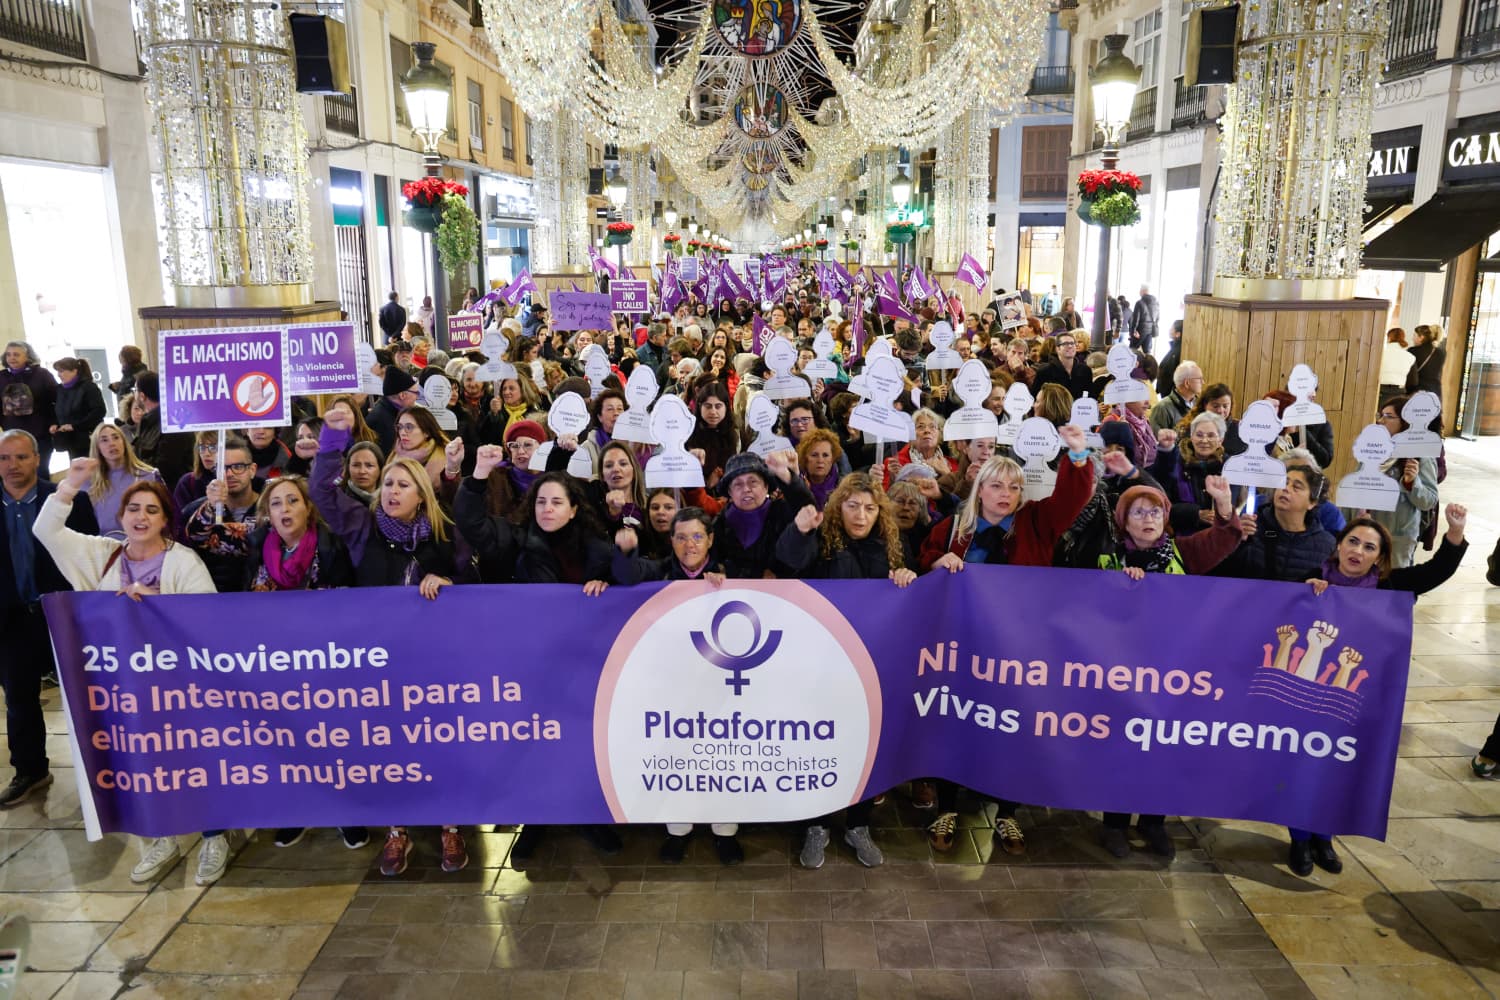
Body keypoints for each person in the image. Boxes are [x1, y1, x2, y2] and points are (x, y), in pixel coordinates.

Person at [33, 464, 230, 883]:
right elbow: (47, 532)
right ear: (121, 517)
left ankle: (214, 837)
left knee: (197, 762)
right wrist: (69, 486)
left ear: (165, 519)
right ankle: (161, 837)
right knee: (146, 763)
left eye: (152, 510)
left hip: (180, 688)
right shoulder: (103, 555)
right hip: (126, 689)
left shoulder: (183, 561)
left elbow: (209, 619)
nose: (141, 517)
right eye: (133, 509)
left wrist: (158, 602)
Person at [918, 428, 1094, 854]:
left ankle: (1008, 813)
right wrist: (935, 561)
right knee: (955, 724)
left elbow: (1074, 498)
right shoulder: (952, 530)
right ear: (980, 489)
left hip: (1020, 649)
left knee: (1014, 727)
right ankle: (949, 807)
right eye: (997, 485)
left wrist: (1077, 455)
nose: (1007, 493)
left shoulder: (1036, 522)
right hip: (963, 648)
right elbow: (923, 564)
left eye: (1014, 486)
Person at [313, 408, 467, 875]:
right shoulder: (364, 529)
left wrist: (447, 582)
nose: (394, 491)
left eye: (404, 485)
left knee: (440, 742)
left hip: (433, 663)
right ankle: (397, 831)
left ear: (422, 494)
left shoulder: (444, 534)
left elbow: (475, 583)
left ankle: (450, 824)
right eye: (389, 484)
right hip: (379, 663)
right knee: (390, 746)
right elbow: (322, 491)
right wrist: (333, 437)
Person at [1289, 505, 1469, 875]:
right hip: (1308, 698)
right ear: (1338, 546)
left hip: (1357, 700)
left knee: (1339, 769)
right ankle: (1300, 839)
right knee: (1303, 768)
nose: (1358, 551)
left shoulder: (1389, 588)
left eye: (1369, 547)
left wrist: (1454, 532)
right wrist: (1303, 595)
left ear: (1380, 558)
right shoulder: (1310, 580)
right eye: (1352, 542)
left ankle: (1325, 837)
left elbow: (1436, 571)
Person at [1095, 477, 1241, 859]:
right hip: (1121, 675)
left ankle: (1153, 821)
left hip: (1172, 674)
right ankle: (1114, 824)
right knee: (1122, 750)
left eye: (1156, 511)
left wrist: (1224, 506)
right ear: (1124, 521)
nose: (1149, 519)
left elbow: (1225, 539)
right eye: (1139, 512)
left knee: (1162, 749)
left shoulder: (1183, 553)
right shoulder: (1105, 556)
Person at [778, 473, 917, 869]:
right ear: (839, 507)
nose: (861, 514)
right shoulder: (823, 541)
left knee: (864, 748)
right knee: (818, 746)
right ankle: (816, 824)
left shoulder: (894, 545)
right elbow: (788, 562)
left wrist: (908, 577)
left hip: (873, 667)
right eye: (853, 506)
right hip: (821, 666)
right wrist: (799, 530)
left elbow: (911, 592)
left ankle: (858, 824)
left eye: (871, 508)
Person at [239, 475, 363, 850]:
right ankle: (297, 809)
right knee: (286, 739)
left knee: (332, 738)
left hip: (324, 659)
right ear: (267, 513)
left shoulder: (329, 546)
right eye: (276, 504)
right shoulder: (257, 545)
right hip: (275, 661)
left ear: (307, 508)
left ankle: (346, 813)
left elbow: (347, 600)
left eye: (292, 501)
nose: (285, 510)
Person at [0, 431, 98, 810]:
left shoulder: (71, 501)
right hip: (11, 621)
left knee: (86, 698)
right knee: (19, 699)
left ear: (36, 459)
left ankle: (103, 773)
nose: (12, 466)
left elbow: (90, 557)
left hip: (63, 616)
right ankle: (30, 770)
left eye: (21, 457)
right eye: (5, 458)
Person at [713, 451, 815, 579]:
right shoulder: (719, 523)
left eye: (753, 482)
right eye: (738, 484)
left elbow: (807, 508)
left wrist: (788, 476)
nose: (746, 489)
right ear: (729, 492)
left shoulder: (782, 512)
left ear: (766, 486)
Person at [181, 437, 262, 593]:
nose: (229, 474)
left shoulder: (271, 507)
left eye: (238, 467)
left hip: (260, 597)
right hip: (213, 595)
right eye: (222, 468)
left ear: (252, 470)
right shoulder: (194, 511)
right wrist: (211, 506)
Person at [1227, 464, 1335, 581]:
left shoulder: (1326, 544)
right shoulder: (1250, 528)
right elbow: (1225, 574)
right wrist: (1235, 540)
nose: (1286, 488)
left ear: (1312, 503)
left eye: (1296, 487)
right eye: (1284, 483)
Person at [1367, 397, 1439, 568]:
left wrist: (1412, 483)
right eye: (1380, 415)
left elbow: (1429, 500)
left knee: (1393, 586)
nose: (1380, 421)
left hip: (1398, 537)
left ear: (1405, 422)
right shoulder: (1372, 448)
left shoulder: (1420, 454)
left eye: (1388, 416)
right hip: (1367, 530)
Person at [85, 424, 162, 540]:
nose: (112, 443)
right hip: (102, 548)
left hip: (143, 544)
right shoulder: (87, 483)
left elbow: (165, 516)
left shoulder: (149, 475)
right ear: (97, 448)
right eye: (104, 440)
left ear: (124, 442)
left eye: (116, 437)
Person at [2, 342, 58, 475]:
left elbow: (56, 400)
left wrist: (54, 422)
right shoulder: (1, 377)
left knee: (40, 472)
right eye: (8, 355)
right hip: (11, 434)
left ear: (27, 357)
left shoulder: (42, 374)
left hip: (40, 434)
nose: (12, 358)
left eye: (16, 354)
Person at [131, 372, 194, 488]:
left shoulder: (174, 422)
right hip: (151, 487)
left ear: (142, 396)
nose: (133, 393)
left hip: (171, 493)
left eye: (134, 389)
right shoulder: (146, 421)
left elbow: (166, 466)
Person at [49, 357, 106, 461]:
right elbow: (57, 410)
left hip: (88, 438)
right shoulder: (60, 389)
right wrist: (55, 424)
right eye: (57, 371)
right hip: (70, 440)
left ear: (74, 371)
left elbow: (99, 411)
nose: (58, 374)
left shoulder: (89, 387)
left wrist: (75, 426)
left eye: (61, 371)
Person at [367, 368, 420, 456]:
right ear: (403, 395)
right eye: (416, 393)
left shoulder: (388, 411)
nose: (417, 397)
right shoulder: (382, 421)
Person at [1031, 331, 1094, 402]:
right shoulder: (1045, 371)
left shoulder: (1085, 370)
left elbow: (1089, 395)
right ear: (1057, 349)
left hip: (1078, 412)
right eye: (1065, 344)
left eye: (1072, 343)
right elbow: (1035, 397)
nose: (1070, 346)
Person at [1150, 361, 1202, 434]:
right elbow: (1156, 439)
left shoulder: (1200, 404)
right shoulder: (1162, 408)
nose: (1203, 382)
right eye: (1199, 379)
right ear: (1187, 383)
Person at [1404, 324, 1445, 398]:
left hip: (1417, 391)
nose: (1412, 338)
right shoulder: (1441, 353)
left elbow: (1409, 374)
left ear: (1421, 337)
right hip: (1435, 392)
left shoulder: (1412, 351)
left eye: (1414, 335)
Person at [1379, 327, 1412, 401]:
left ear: (1389, 338)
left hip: (1381, 390)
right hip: (1399, 392)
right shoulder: (1410, 356)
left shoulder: (1381, 352)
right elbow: (1413, 380)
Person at [1130, 285, 1160, 353]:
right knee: (1147, 352)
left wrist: (1133, 331)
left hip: (1140, 331)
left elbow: (1135, 319)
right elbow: (1158, 318)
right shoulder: (1156, 303)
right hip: (1150, 331)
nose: (1139, 292)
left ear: (1143, 291)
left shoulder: (1139, 303)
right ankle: (1146, 364)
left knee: (1132, 351)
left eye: (1140, 290)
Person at [1156, 321, 1183, 394]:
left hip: (1169, 391)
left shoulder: (1178, 350)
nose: (1169, 330)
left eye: (1172, 328)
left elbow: (1170, 372)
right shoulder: (1175, 347)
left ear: (1178, 334)